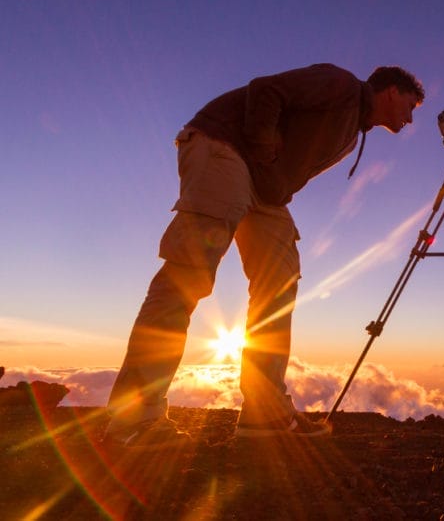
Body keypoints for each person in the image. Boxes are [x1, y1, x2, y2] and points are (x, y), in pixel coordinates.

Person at [104, 63, 424, 448]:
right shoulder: (340, 85)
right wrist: (263, 148)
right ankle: (134, 419)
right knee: (187, 275)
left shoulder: (353, 131)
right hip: (224, 148)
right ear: (391, 92)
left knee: (280, 281)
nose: (409, 118)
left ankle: (264, 413)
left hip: (261, 186)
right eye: (410, 105)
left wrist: (271, 176)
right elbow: (265, 91)